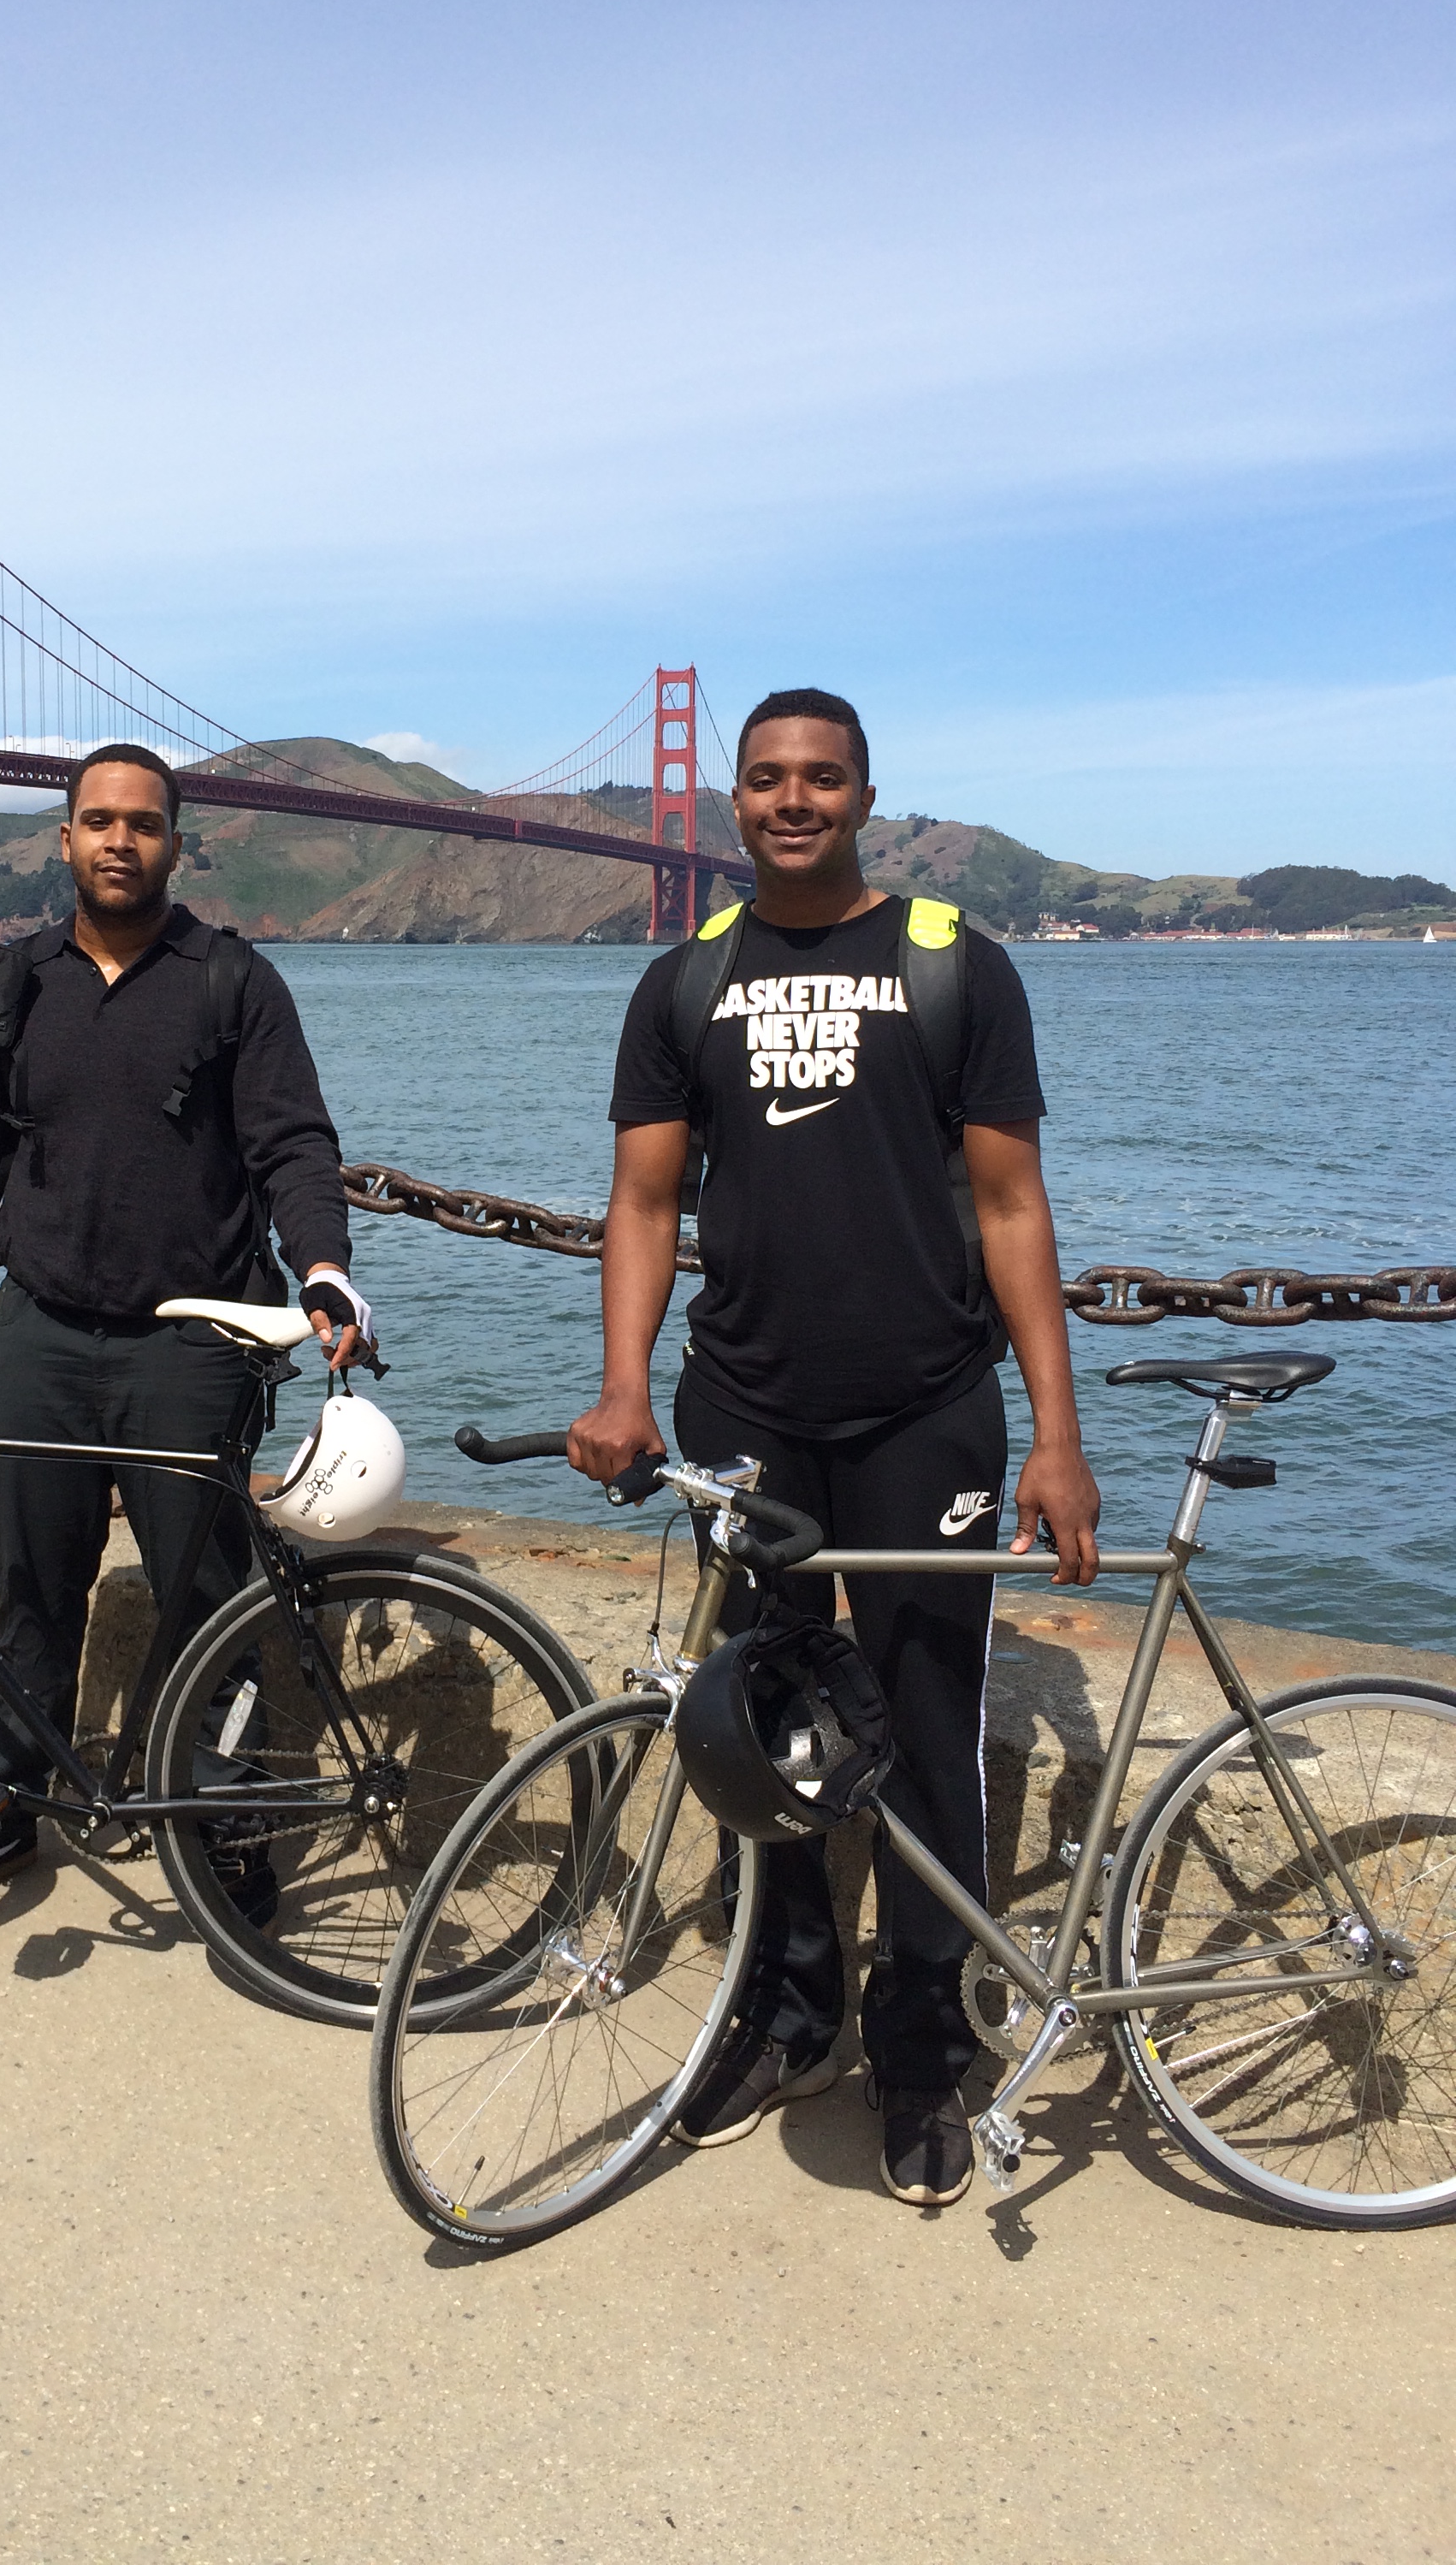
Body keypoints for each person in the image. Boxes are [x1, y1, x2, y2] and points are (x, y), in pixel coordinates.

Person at [568, 687, 1099, 2207]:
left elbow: (1010, 1207)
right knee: (762, 1740)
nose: (793, 801)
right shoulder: (684, 984)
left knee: (930, 1735)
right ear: (730, 804)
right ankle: (789, 2010)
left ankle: (926, 2050)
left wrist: (1055, 1437)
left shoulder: (958, 971)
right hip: (746, 1411)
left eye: (822, 778)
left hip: (927, 1408)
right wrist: (624, 1388)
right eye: (765, 780)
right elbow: (648, 1205)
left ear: (866, 793)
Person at [0, 741, 370, 1921]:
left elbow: (293, 1146)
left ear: (176, 844)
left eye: (143, 822)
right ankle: (6, 1804)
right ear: (64, 840)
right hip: (38, 1332)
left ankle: (232, 1820)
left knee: (210, 1601)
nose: (119, 840)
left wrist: (324, 1268)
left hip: (189, 1345)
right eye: (97, 821)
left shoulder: (236, 984)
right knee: (31, 1588)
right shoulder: (12, 983)